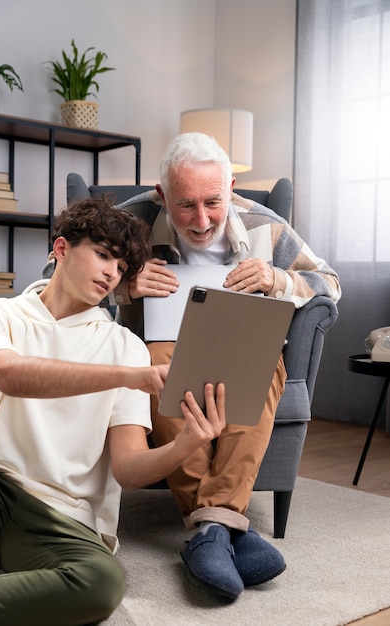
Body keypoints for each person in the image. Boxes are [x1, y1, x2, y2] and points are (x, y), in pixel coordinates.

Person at [105, 132, 341, 599]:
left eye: (213, 201)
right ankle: (229, 527)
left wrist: (278, 277)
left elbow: (329, 282)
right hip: (157, 349)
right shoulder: (128, 222)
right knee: (159, 363)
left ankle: (208, 529)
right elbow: (58, 280)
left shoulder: (265, 226)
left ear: (232, 188)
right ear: (161, 195)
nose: (201, 219)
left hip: (239, 341)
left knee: (266, 359)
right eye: (185, 204)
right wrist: (124, 286)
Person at [0, 198, 226, 626]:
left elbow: (127, 469)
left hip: (59, 518)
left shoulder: (126, 347)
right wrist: (128, 378)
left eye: (122, 267)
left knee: (101, 583)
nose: (112, 273)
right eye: (104, 254)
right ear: (61, 248)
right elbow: (8, 375)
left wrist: (188, 443)